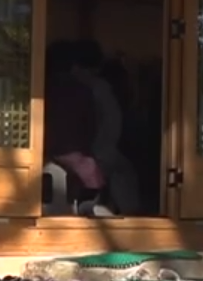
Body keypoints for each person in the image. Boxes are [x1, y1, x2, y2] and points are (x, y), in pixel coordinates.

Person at [72, 39, 141, 216]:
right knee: (123, 172)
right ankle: (128, 215)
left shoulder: (91, 87)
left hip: (91, 151)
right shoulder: (98, 88)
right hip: (94, 152)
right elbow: (112, 121)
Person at [43, 41, 105, 213]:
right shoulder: (82, 90)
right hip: (73, 153)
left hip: (43, 150)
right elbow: (91, 126)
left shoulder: (41, 87)